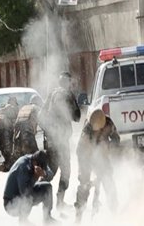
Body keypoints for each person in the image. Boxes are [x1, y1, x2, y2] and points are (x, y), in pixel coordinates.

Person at [40, 72, 81, 209]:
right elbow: (77, 117)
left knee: (51, 170)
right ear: (68, 82)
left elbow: (41, 116)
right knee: (66, 171)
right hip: (62, 141)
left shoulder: (51, 94)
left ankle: (36, 197)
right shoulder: (68, 95)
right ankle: (59, 202)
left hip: (51, 141)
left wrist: (49, 132)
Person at [74, 109, 120, 222]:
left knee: (108, 181)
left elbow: (116, 139)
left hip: (102, 157)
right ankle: (78, 217)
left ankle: (115, 212)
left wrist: (108, 147)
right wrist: (82, 171)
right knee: (84, 186)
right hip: (87, 157)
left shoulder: (108, 123)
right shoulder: (87, 129)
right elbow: (79, 150)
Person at [3, 150, 57, 224]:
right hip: (11, 202)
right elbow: (25, 192)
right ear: (35, 162)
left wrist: (44, 173)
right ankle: (23, 222)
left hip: (22, 195)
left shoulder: (39, 160)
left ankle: (47, 218)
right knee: (28, 198)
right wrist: (35, 177)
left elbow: (50, 174)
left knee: (47, 187)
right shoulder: (23, 166)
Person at [12, 95, 44, 170]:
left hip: (17, 139)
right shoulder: (36, 108)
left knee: (21, 162)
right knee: (36, 159)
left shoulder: (23, 108)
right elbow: (43, 123)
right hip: (28, 138)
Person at [0, 96, 20, 182]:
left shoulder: (1, 110)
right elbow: (17, 124)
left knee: (10, 161)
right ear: (14, 102)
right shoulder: (13, 109)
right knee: (13, 162)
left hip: (0, 140)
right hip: (7, 139)